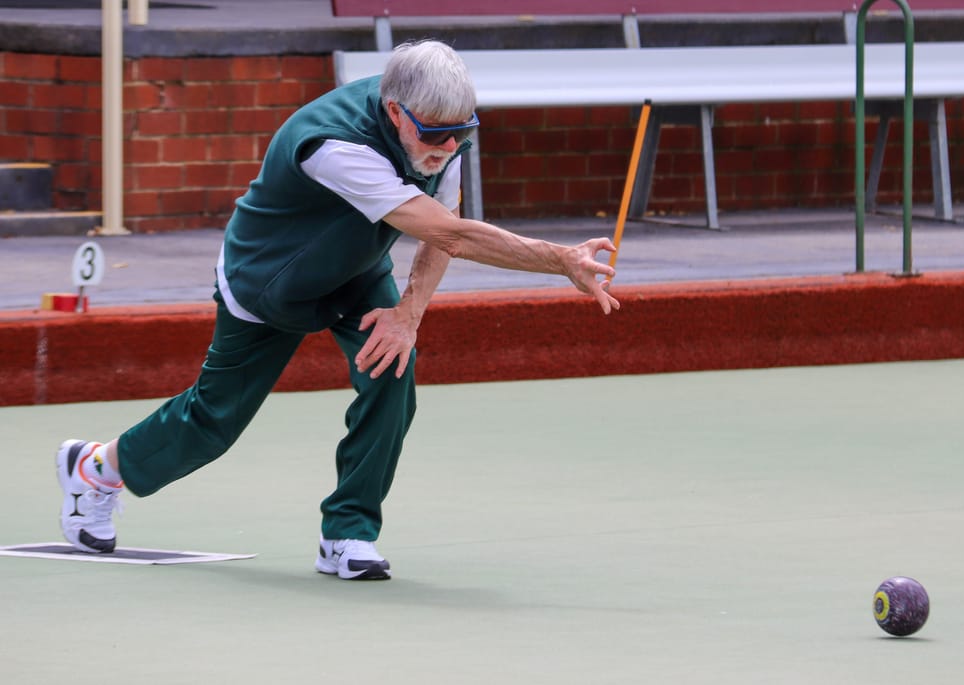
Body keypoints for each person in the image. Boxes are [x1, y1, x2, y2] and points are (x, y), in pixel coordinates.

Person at [56, 40, 619, 580]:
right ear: (395, 111)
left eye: (461, 132)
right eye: (436, 134)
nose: (449, 148)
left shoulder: (443, 130)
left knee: (392, 372)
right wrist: (558, 259)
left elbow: (439, 233)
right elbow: (448, 234)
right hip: (269, 280)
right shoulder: (336, 145)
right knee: (214, 422)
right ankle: (96, 468)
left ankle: (347, 533)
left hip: (354, 272)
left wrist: (408, 315)